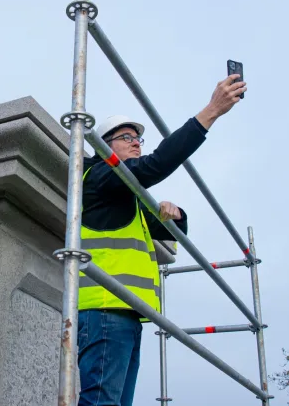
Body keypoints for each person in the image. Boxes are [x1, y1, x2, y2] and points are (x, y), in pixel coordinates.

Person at [77, 74, 247, 406]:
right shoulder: (100, 176)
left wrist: (176, 213)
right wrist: (211, 111)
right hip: (105, 308)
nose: (137, 142)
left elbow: (172, 232)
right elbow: (158, 163)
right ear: (104, 146)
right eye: (126, 137)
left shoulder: (124, 195)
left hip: (125, 311)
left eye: (139, 136)